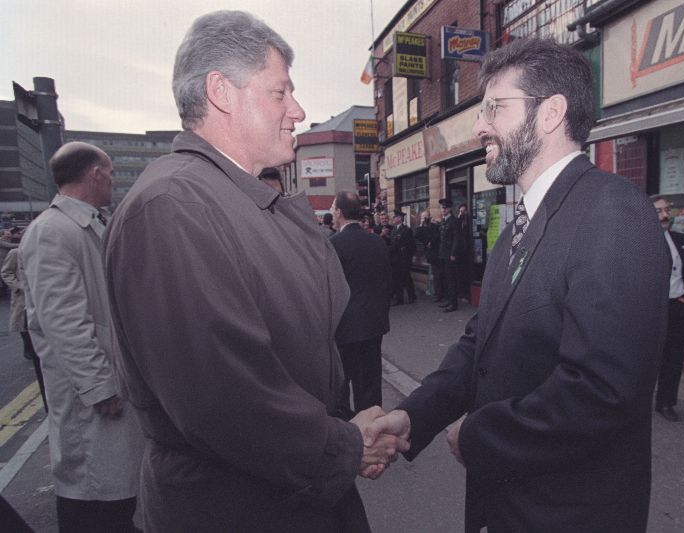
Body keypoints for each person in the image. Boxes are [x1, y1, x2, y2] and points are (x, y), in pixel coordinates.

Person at [102, 11, 407, 532]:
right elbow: (227, 399)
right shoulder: (173, 208)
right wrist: (347, 445)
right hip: (237, 511)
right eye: (279, 92)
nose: (298, 109)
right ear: (221, 91)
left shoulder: (236, 199)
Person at [366, 37, 669, 533]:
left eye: (495, 108)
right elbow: (480, 346)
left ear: (550, 113)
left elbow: (602, 391)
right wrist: (413, 417)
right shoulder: (517, 229)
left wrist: (480, 436)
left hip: (568, 513)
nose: (480, 125)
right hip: (505, 505)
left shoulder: (614, 213)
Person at [18, 142, 144, 533]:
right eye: (108, 173)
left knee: (117, 489)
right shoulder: (52, 231)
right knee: (93, 489)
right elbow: (62, 320)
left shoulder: (87, 222)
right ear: (95, 173)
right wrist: (98, 386)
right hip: (92, 392)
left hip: (110, 377)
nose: (110, 182)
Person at [330, 190, 391, 414]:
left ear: (339, 213)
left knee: (340, 387)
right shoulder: (377, 242)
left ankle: (349, 436)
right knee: (370, 386)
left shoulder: (333, 245)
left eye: (332, 209)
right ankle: (373, 432)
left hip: (344, 328)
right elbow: (387, 282)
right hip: (373, 325)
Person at [652, 195, 684, 422]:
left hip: (680, 308)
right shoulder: (641, 243)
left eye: (666, 210)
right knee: (648, 360)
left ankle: (665, 402)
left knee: (674, 359)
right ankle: (636, 405)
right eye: (659, 211)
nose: (664, 215)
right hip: (653, 312)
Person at [2, 244, 48, 412]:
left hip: (38, 297)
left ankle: (33, 350)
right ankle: (28, 349)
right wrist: (19, 286)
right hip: (23, 297)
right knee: (24, 326)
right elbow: (6, 272)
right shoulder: (15, 252)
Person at [438, 197, 462, 312]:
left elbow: (457, 239)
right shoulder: (443, 221)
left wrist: (453, 253)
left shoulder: (454, 221)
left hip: (449, 254)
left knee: (451, 279)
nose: (443, 210)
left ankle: (454, 304)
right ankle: (448, 300)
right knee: (445, 278)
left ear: (449, 209)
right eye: (442, 208)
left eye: (445, 208)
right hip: (443, 253)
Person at [388, 210, 416, 305]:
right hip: (395, 258)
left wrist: (410, 258)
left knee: (406, 278)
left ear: (399, 218)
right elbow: (393, 244)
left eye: (395, 217)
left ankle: (412, 296)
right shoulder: (394, 230)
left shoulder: (406, 230)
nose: (393, 219)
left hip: (403, 258)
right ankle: (399, 300)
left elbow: (411, 245)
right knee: (396, 279)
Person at [413, 210, 442, 301]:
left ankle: (441, 294)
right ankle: (438, 294)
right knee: (435, 275)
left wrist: (431, 242)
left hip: (437, 253)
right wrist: (421, 224)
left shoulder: (434, 226)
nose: (425, 219)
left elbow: (438, 235)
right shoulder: (421, 228)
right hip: (431, 255)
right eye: (423, 217)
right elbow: (416, 235)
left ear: (430, 217)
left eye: (426, 217)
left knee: (439, 275)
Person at [456, 203, 472, 301]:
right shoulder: (459, 222)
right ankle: (461, 292)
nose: (462, 213)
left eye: (464, 211)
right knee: (460, 273)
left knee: (467, 273)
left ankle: (467, 294)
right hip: (460, 251)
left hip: (469, 251)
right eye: (460, 211)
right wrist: (459, 219)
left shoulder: (469, 221)